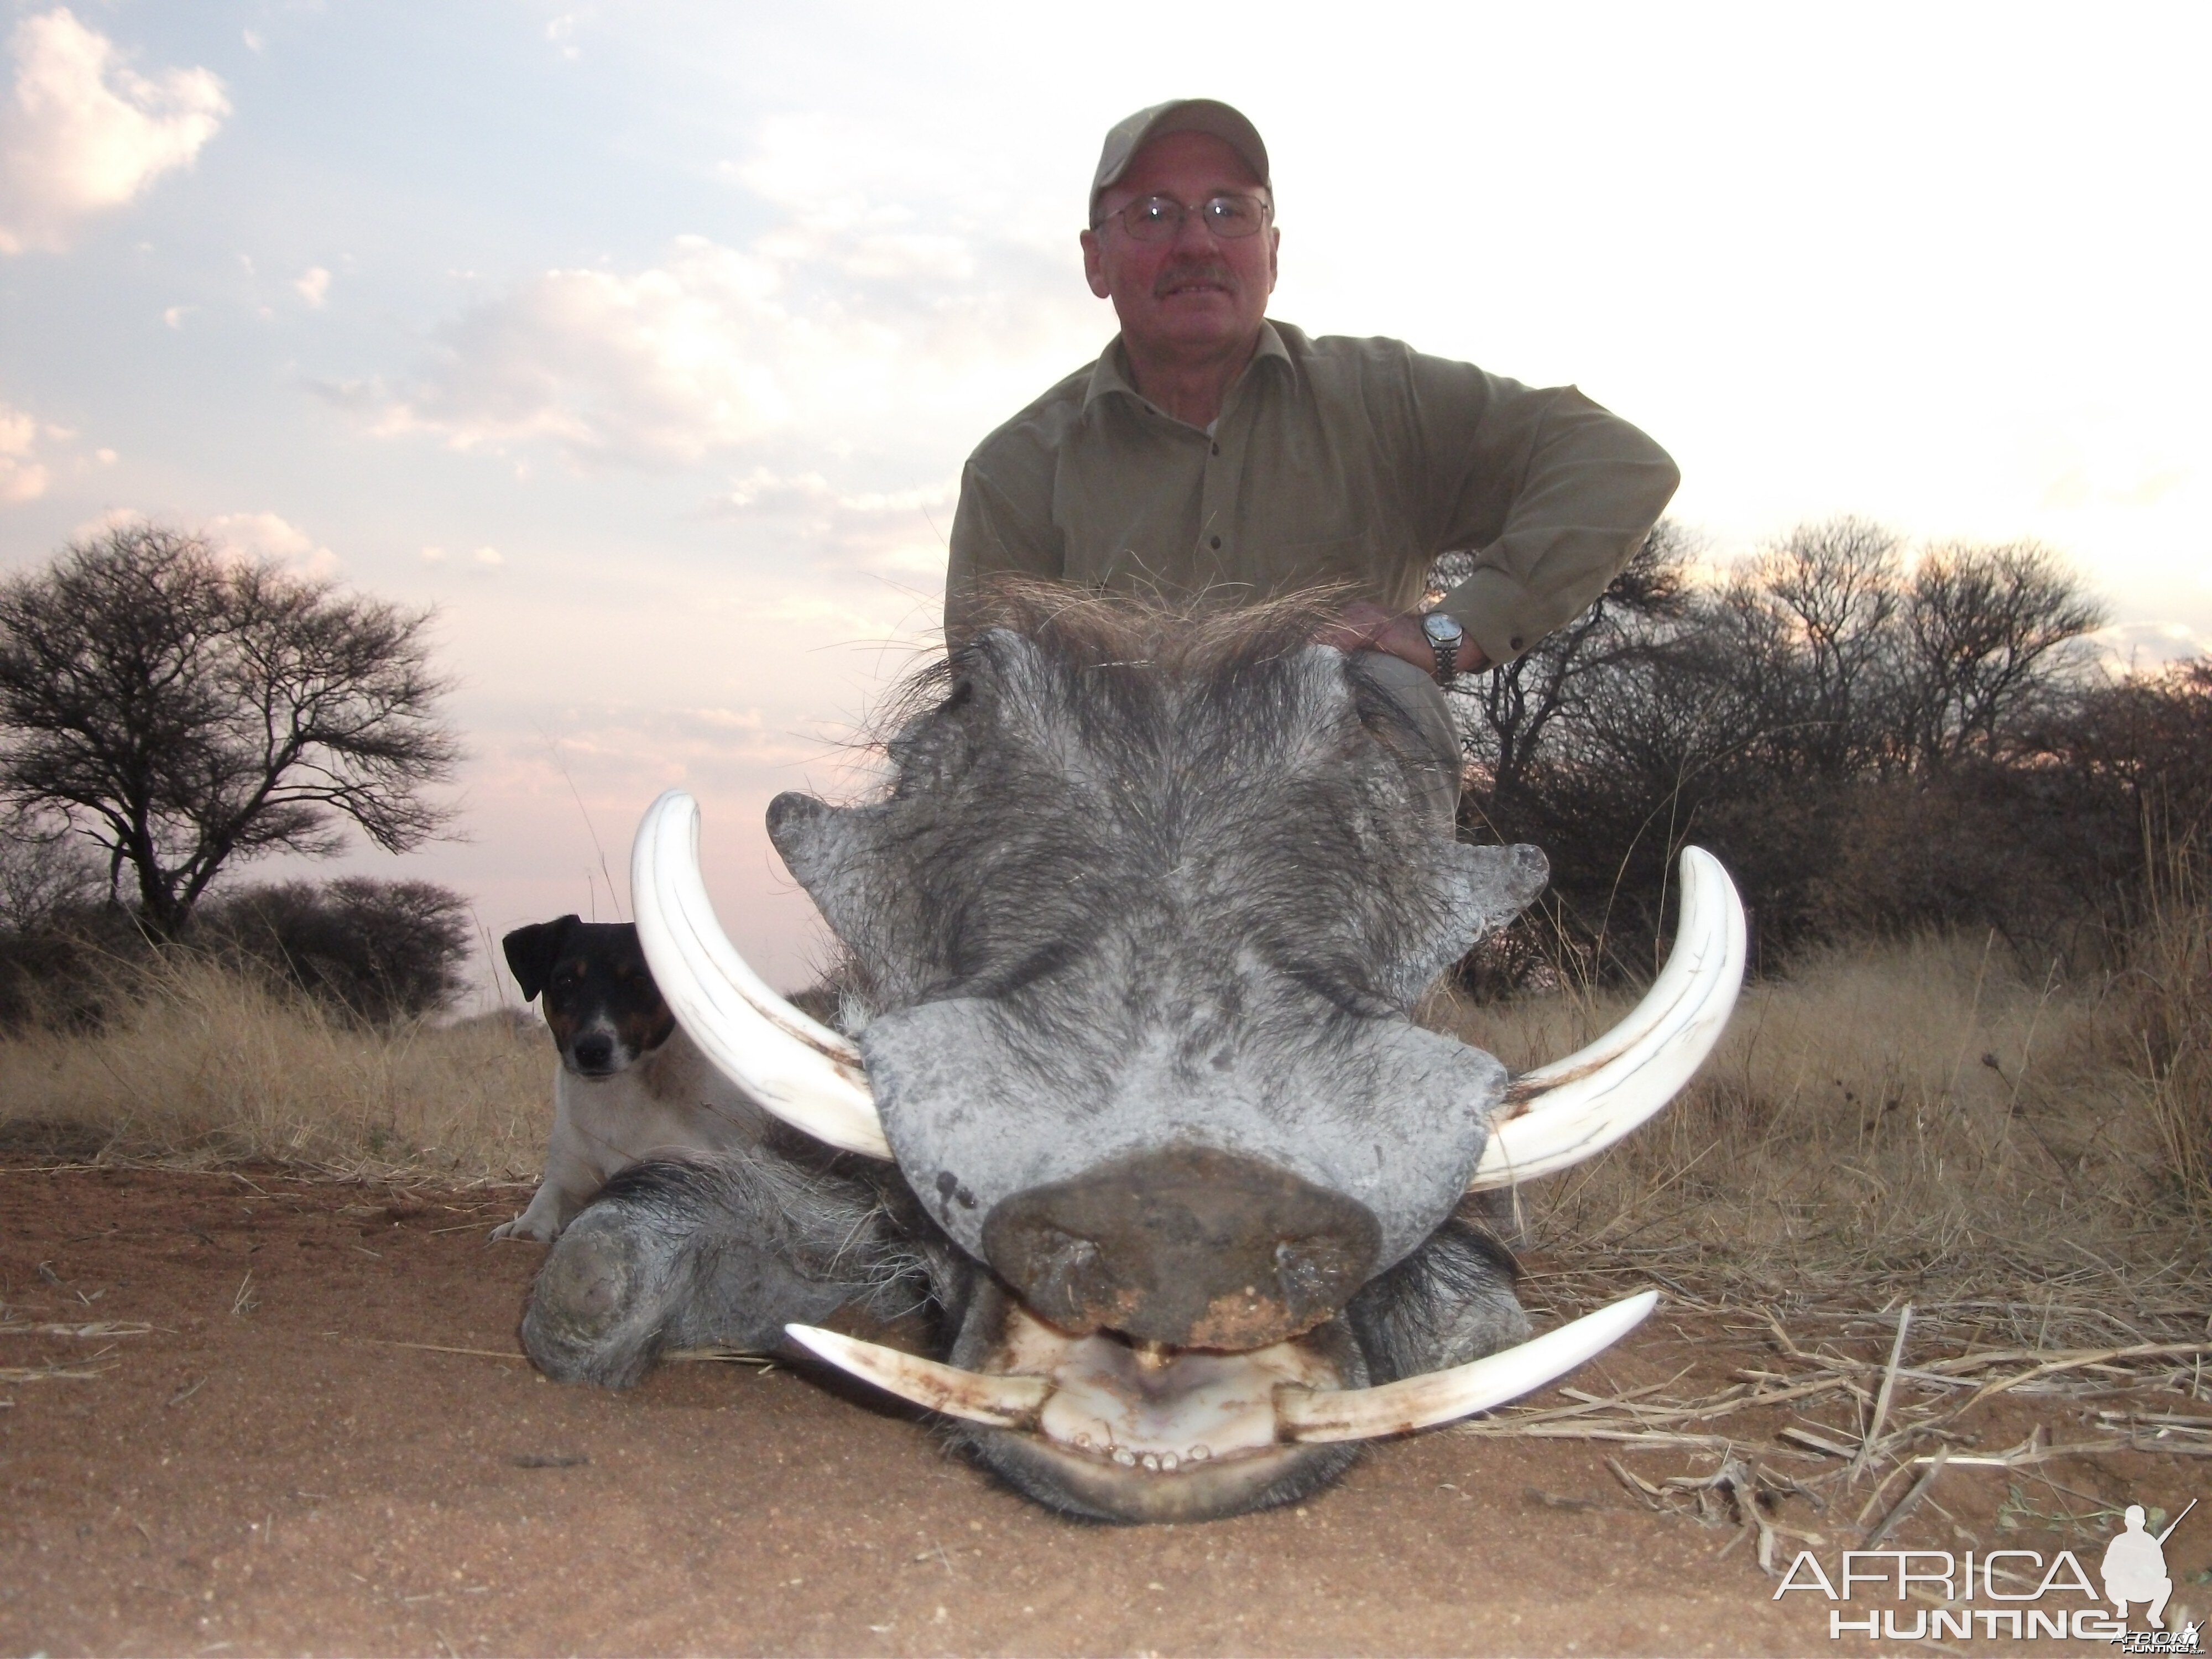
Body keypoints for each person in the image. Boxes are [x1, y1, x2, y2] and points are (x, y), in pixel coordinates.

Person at [945, 98, 1681, 819]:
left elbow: (1615, 460)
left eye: (1231, 211)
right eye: (1154, 214)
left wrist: (1454, 633)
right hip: (1116, 890)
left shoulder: (1389, 399)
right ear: (1095, 259)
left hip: (1353, 886)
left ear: (1272, 251)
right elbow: (998, 733)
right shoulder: (1013, 472)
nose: (1198, 242)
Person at [2101, 1505, 2174, 1629]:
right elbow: (2106, 1570)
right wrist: (2124, 1569)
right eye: (2132, 1521)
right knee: (2111, 1582)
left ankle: (2154, 1615)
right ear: (2126, 1522)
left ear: (2144, 1522)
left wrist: (2147, 1570)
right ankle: (2122, 1605)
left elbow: (2162, 1571)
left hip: (2145, 1589)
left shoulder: (2151, 1542)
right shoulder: (2119, 1541)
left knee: (2166, 1584)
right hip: (2123, 1589)